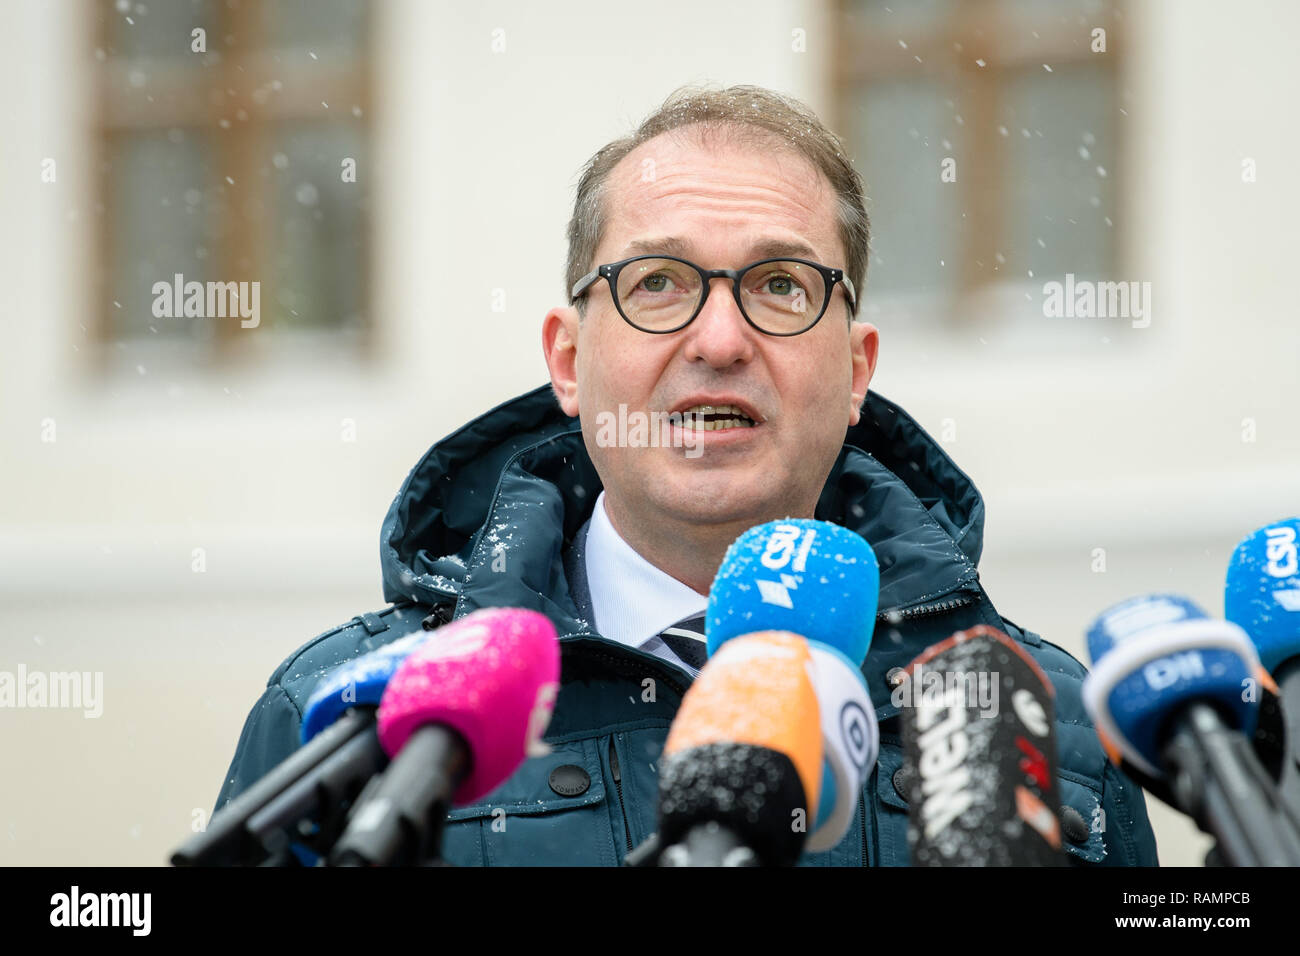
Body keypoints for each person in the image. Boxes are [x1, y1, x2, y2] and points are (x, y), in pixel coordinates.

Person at [215, 83, 1159, 866]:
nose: (719, 340)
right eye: (658, 281)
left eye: (782, 285)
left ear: (859, 367)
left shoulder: (1048, 727)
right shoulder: (351, 726)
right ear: (572, 362)